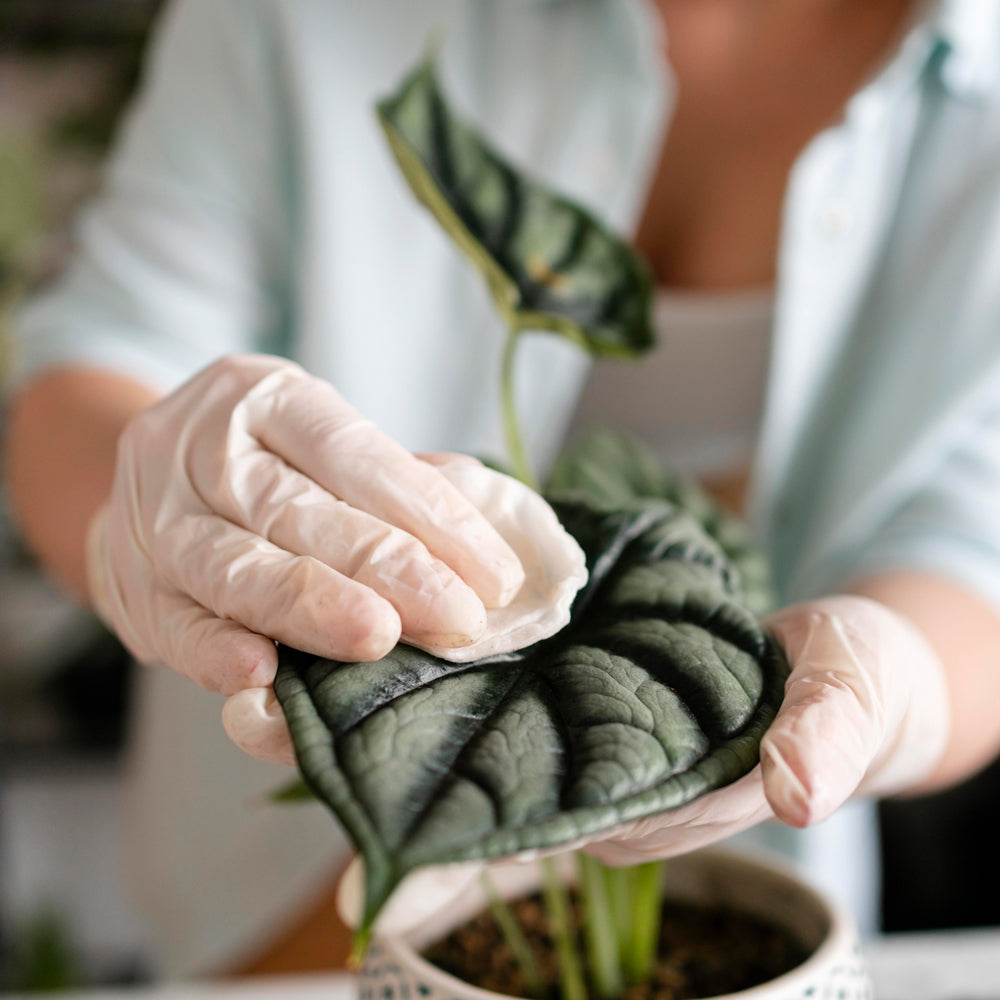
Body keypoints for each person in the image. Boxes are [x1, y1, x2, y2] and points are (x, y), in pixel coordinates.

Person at [6, 0, 1000, 979]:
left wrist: (896, 680)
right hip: (267, 894)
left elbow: (974, 534)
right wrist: (146, 503)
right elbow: (104, 353)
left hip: (736, 881)